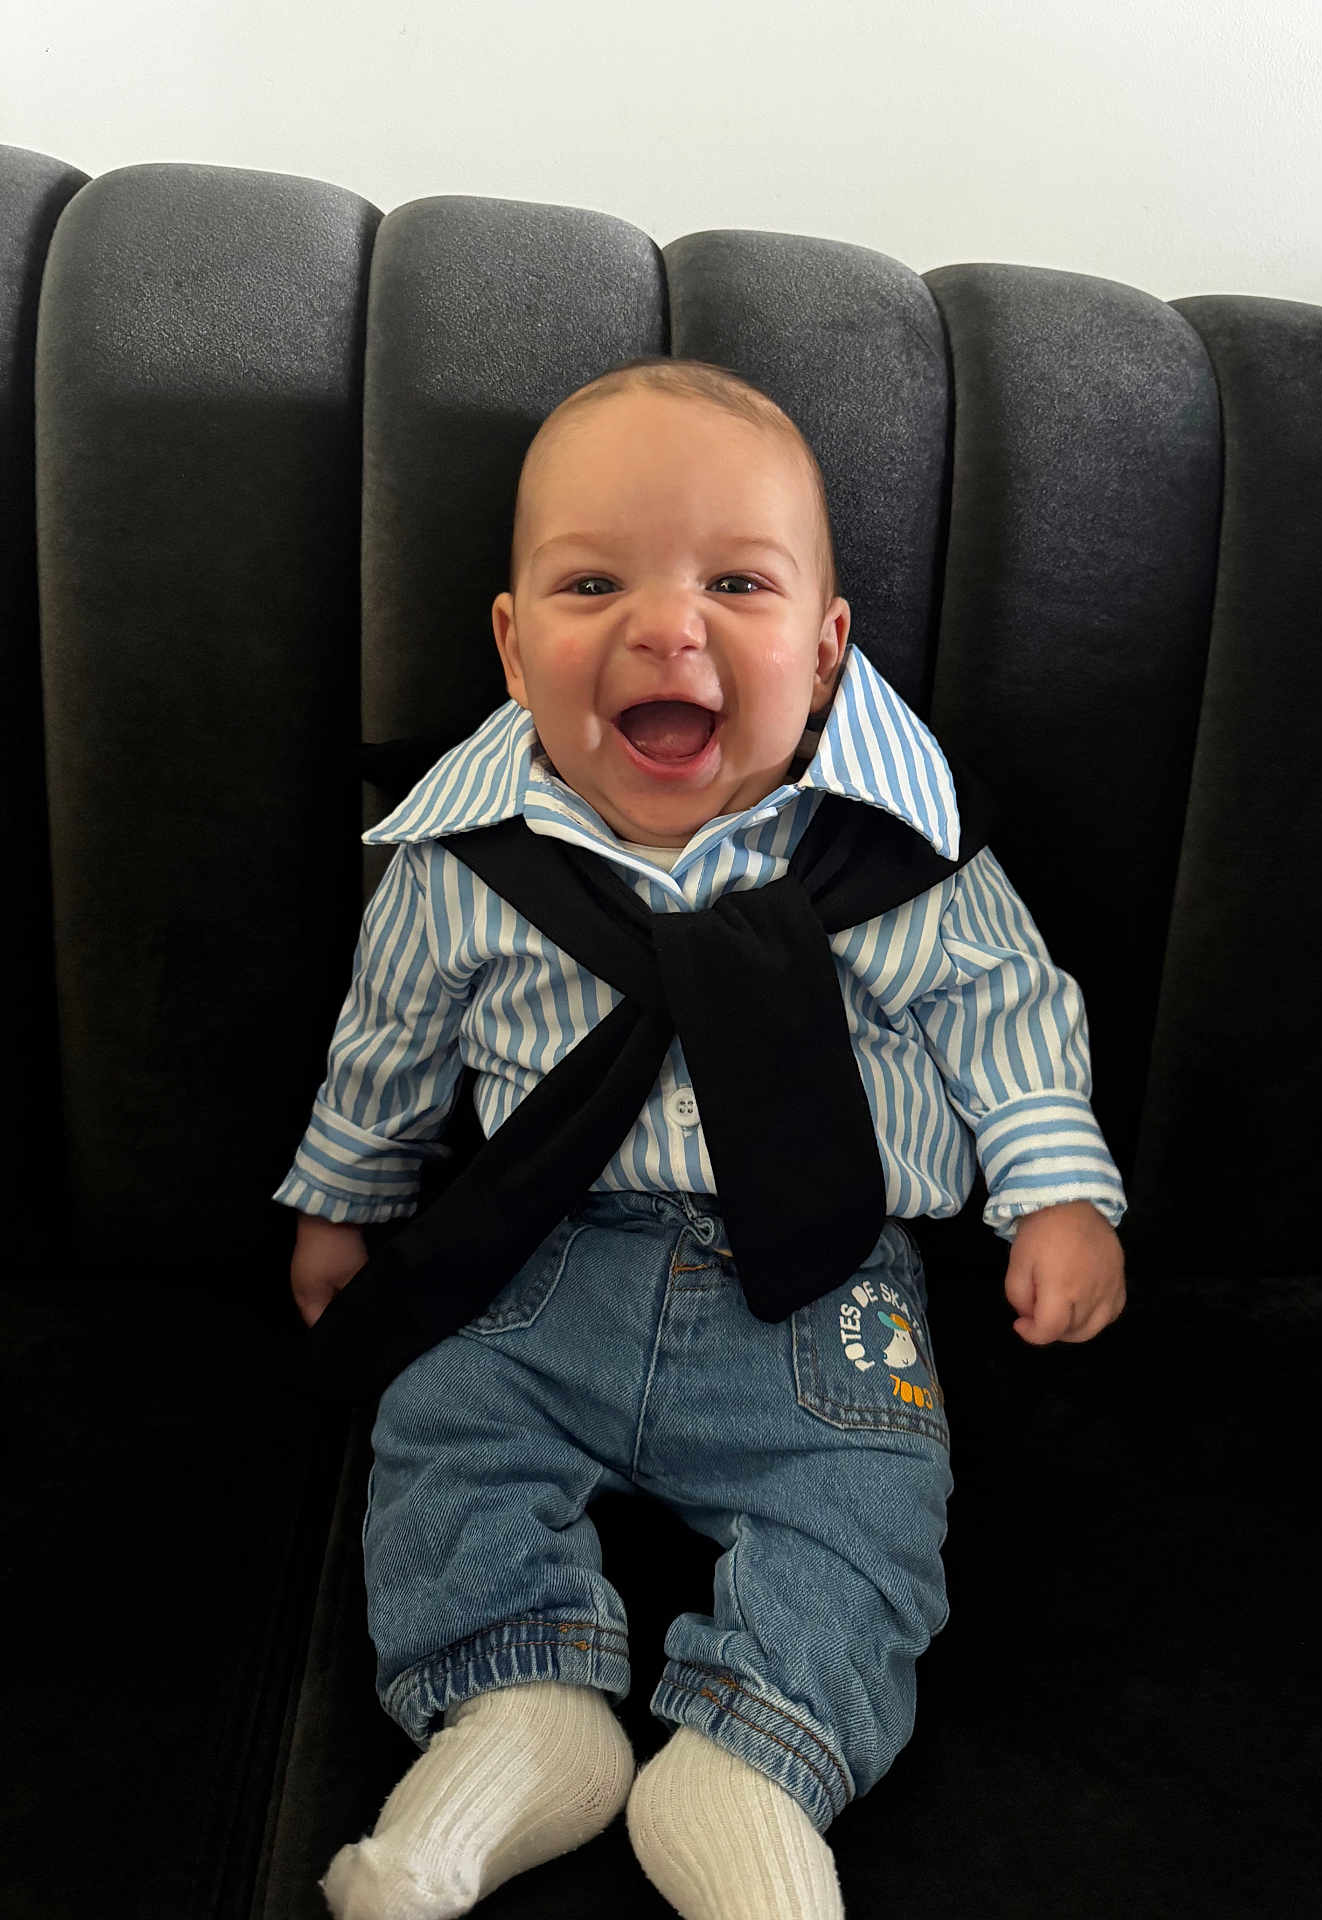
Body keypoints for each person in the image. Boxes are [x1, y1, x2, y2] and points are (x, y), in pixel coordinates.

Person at [275, 355, 1129, 1920]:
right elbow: (387, 1046)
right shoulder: (459, 861)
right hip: (541, 1265)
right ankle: (518, 1712)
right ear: (514, 644)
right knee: (440, 1444)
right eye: (596, 581)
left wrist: (1060, 1193)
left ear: (825, 645)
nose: (669, 626)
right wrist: (344, 1202)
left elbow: (1004, 1014)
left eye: (735, 581)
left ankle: (751, 1770)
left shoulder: (901, 850)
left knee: (871, 1513)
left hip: (826, 1290)